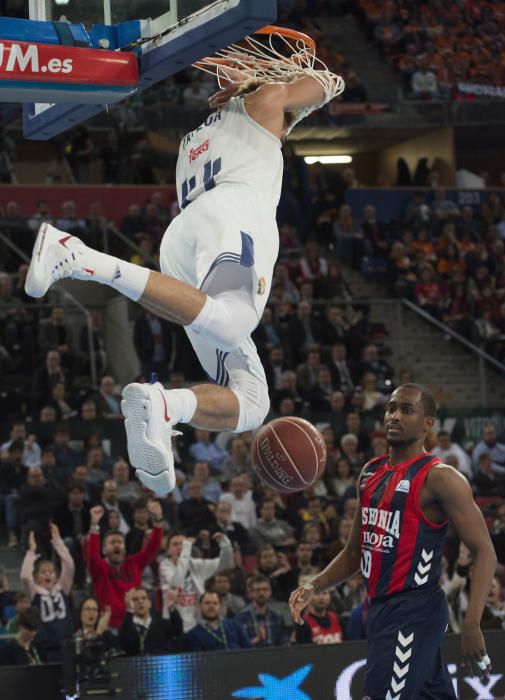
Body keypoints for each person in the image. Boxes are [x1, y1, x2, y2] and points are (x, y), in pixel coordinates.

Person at [24, 54, 343, 496]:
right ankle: (77, 257)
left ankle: (165, 404)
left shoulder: (200, 134)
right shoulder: (266, 99)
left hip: (192, 229)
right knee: (233, 321)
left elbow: (315, 92)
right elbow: (324, 84)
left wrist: (284, 90)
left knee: (253, 401)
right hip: (222, 219)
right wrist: (277, 83)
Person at [289, 383, 497, 697]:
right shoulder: (370, 472)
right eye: (391, 408)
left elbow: (485, 552)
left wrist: (472, 622)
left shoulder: (440, 477)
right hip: (382, 610)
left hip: (415, 609)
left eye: (407, 410)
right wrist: (314, 585)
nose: (395, 416)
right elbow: (354, 551)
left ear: (428, 423)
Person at [86, 502, 164, 628]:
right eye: (112, 543)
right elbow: (92, 556)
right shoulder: (99, 568)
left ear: (125, 548)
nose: (117, 545)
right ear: (104, 550)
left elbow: (153, 547)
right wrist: (94, 525)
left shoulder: (134, 563)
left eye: (120, 542)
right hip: (110, 626)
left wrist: (158, 518)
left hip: (136, 622)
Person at [159, 530, 233, 632]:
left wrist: (226, 546)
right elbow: (176, 583)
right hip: (174, 625)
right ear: (168, 550)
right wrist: (186, 550)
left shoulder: (196, 565)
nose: (180, 547)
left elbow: (224, 564)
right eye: (175, 544)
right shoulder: (165, 567)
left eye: (183, 544)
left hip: (198, 624)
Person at [20, 524, 75, 662]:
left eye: (51, 571)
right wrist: (31, 552)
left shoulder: (63, 588)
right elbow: (25, 577)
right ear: (37, 578)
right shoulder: (35, 593)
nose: (48, 574)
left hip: (67, 645)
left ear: (56, 576)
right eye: (43, 572)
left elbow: (69, 565)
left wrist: (57, 542)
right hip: (46, 647)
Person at [118, 587, 182, 655]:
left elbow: (178, 631)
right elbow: (126, 642)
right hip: (136, 664)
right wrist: (129, 611)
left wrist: (171, 608)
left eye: (144, 598)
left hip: (160, 663)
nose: (140, 601)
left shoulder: (162, 623)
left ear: (150, 603)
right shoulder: (128, 626)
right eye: (135, 599)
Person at [185, 591, 251, 651]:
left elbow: (249, 649)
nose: (211, 606)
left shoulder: (235, 625)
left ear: (220, 606)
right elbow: (198, 660)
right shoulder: (193, 634)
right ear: (199, 607)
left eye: (215, 603)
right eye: (207, 603)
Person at [237, 575, 289, 647]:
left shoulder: (277, 616)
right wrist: (257, 640)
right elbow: (239, 647)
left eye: (265, 589)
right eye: (258, 590)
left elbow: (284, 643)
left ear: (270, 592)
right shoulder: (242, 618)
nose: (261, 593)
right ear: (251, 593)